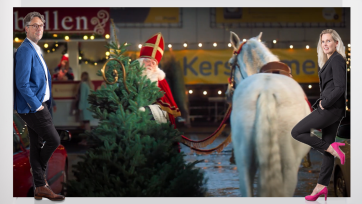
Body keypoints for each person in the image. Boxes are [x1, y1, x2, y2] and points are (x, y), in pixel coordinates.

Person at [13, 11, 65, 201]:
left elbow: (39, 81)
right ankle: (41, 181)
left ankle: (39, 188)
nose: (38, 28)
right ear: (26, 28)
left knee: (36, 144)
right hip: (32, 106)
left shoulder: (35, 49)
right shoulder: (26, 50)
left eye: (41, 25)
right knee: (53, 140)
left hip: (39, 104)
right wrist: (38, 106)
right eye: (34, 25)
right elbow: (22, 83)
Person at [291, 29, 347, 201]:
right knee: (328, 151)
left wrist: (324, 103)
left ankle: (332, 148)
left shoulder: (337, 59)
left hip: (331, 109)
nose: (325, 44)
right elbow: (331, 87)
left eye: (329, 41)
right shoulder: (330, 61)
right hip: (332, 109)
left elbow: (339, 87)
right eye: (323, 41)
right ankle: (321, 187)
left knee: (297, 132)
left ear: (337, 43)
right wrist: (319, 103)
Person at [136, 32, 181, 127]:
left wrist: (146, 109)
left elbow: (166, 107)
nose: (150, 65)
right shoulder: (132, 77)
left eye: (153, 63)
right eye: (147, 61)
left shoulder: (160, 81)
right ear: (140, 62)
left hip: (156, 116)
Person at [77, 72, 94, 146]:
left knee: (86, 125)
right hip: (88, 107)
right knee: (87, 124)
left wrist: (80, 107)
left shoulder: (83, 85)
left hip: (85, 107)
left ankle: (87, 140)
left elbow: (82, 97)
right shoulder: (89, 85)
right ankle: (86, 140)